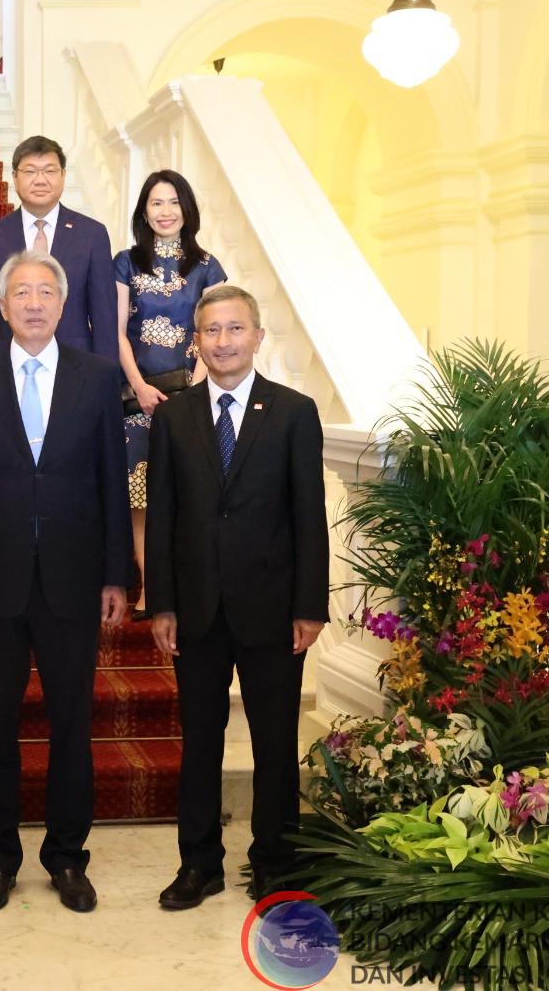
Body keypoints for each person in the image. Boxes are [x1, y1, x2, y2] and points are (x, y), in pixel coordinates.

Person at [0, 250, 129, 914]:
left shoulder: (97, 376)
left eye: (44, 292)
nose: (32, 303)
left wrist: (117, 573)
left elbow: (112, 480)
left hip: (73, 579)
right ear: (1, 306)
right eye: (19, 292)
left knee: (71, 725)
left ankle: (66, 858)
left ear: (61, 304)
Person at [144, 284, 329, 908]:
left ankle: (276, 863)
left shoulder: (294, 412)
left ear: (257, 337)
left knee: (276, 742)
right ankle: (198, 864)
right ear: (196, 342)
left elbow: (310, 515)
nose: (223, 342)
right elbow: (162, 515)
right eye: (211, 332)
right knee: (199, 740)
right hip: (195, 607)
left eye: (234, 329)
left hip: (274, 609)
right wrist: (161, 603)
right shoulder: (172, 416)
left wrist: (310, 604)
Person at [115, 171, 227, 617]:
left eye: (173, 202)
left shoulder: (207, 266)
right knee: (139, 501)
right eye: (156, 203)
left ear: (187, 209)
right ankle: (149, 591)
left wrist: (197, 389)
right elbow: (117, 332)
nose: (165, 212)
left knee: (186, 497)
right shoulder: (125, 262)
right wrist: (139, 387)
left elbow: (213, 331)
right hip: (135, 399)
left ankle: (188, 589)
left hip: (191, 397)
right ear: (144, 210)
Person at [0, 136, 116, 362]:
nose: (40, 180)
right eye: (30, 172)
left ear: (63, 176)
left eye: (49, 171)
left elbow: (104, 316)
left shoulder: (92, 234)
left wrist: (108, 379)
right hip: (7, 361)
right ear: (15, 178)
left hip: (75, 362)